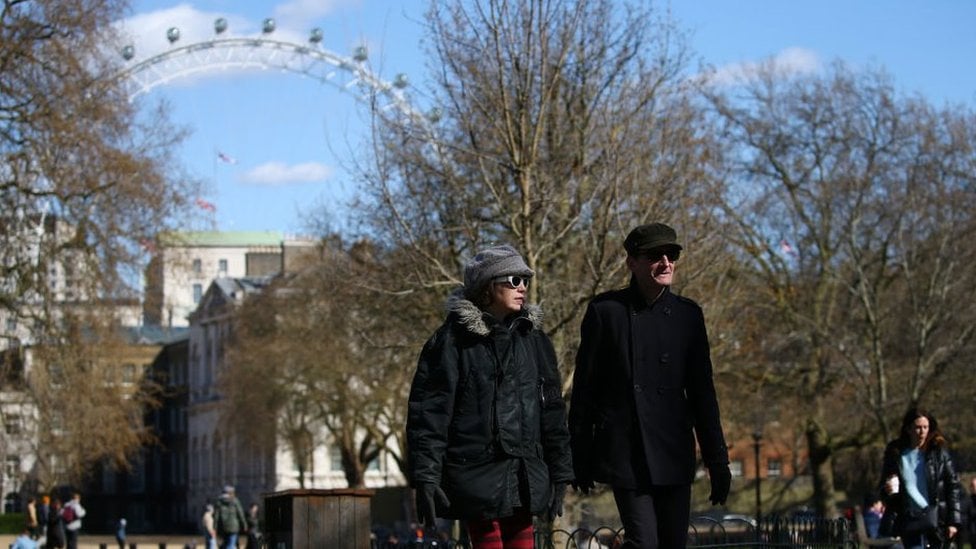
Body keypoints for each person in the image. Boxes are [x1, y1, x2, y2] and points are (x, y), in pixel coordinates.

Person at [569, 222, 732, 549]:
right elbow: (585, 390)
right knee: (643, 542)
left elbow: (703, 395)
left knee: (673, 543)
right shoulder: (606, 313)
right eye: (655, 255)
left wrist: (718, 461)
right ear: (632, 262)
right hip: (627, 453)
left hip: (672, 450)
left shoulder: (688, 316)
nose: (666, 262)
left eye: (671, 255)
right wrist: (579, 454)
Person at [406, 244, 574, 548]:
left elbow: (552, 411)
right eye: (513, 280)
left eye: (525, 280)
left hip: (524, 474)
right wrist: (426, 476)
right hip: (475, 475)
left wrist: (561, 472)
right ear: (487, 288)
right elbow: (429, 414)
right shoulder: (451, 342)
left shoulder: (535, 342)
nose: (522, 287)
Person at [879, 406, 962, 549]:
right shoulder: (896, 454)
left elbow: (952, 486)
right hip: (909, 520)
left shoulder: (939, 453)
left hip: (936, 521)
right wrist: (887, 489)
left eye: (925, 427)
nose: (922, 432)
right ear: (908, 429)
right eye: (918, 427)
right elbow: (884, 487)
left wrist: (953, 521)